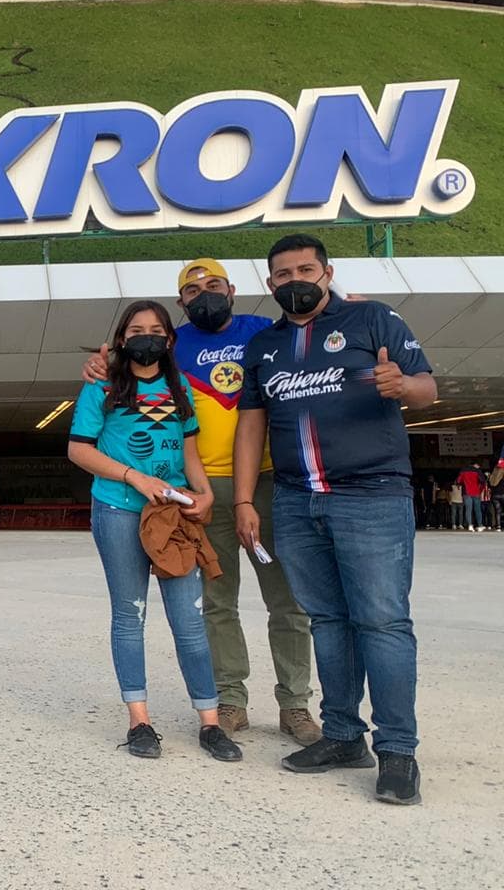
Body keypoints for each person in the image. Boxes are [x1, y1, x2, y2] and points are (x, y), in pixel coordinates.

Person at [234, 233, 436, 806]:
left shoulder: (374, 319)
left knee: (383, 622)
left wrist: (404, 386)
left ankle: (398, 751)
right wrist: (245, 500)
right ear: (270, 284)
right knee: (326, 620)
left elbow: (427, 385)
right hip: (297, 501)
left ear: (326, 273)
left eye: (305, 269)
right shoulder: (265, 345)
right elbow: (252, 425)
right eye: (283, 274)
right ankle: (344, 735)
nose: (295, 280)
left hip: (371, 495)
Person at [82, 256, 318, 744]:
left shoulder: (263, 331)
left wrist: (347, 311)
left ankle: (295, 704)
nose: (205, 295)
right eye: (193, 291)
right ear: (180, 304)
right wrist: (99, 364)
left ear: (232, 289)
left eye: (214, 285)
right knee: (215, 599)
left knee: (287, 598)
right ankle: (229, 699)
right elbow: (119, 388)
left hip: (268, 482)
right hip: (195, 493)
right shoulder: (173, 349)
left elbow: (312, 326)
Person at [68, 299, 240, 763]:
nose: (148, 336)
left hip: (173, 518)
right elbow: (79, 450)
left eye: (157, 329)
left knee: (189, 620)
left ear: (170, 339)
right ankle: (139, 721)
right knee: (130, 615)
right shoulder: (103, 384)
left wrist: (204, 493)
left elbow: (190, 452)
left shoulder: (179, 385)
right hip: (119, 510)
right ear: (122, 338)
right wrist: (135, 477)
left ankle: (210, 723)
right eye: (137, 329)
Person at [456, 463, 486, 532]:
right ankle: (480, 525)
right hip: (476, 492)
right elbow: (482, 481)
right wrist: (480, 490)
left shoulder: (463, 471)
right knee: (478, 510)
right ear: (475, 465)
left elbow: (458, 481)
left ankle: (470, 525)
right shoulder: (477, 471)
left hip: (466, 493)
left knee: (468, 509)